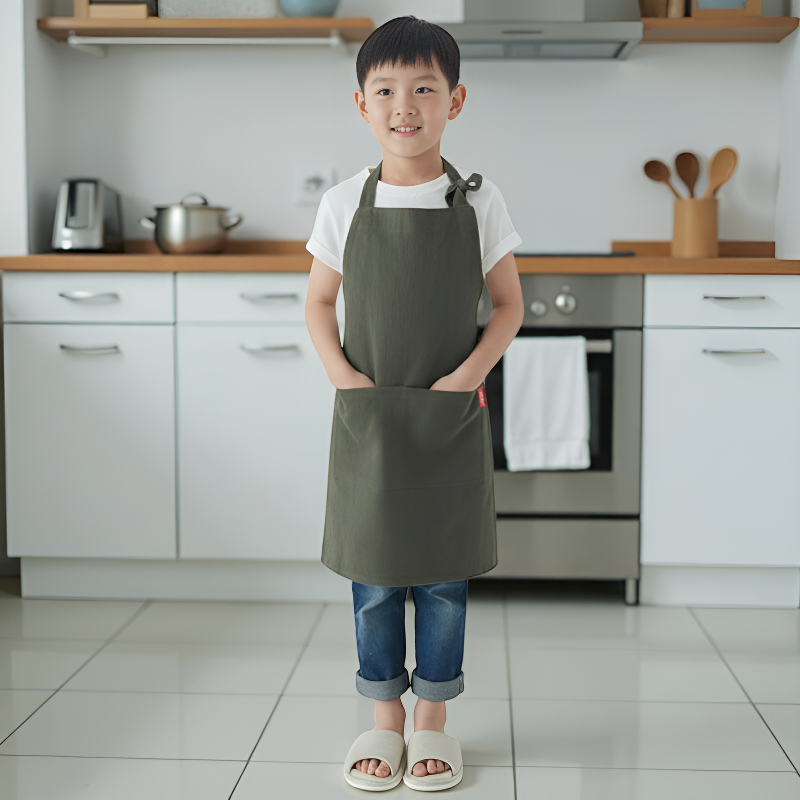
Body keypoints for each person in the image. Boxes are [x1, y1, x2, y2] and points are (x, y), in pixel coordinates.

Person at [304, 15, 524, 792]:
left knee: (441, 577)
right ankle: (384, 717)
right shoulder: (342, 202)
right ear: (361, 103)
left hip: (446, 416)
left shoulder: (480, 201)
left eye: (424, 89)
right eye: (387, 90)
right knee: (373, 579)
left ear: (454, 101)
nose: (405, 105)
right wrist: (344, 377)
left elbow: (508, 306)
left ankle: (432, 716)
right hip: (369, 415)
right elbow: (318, 303)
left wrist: (465, 379)